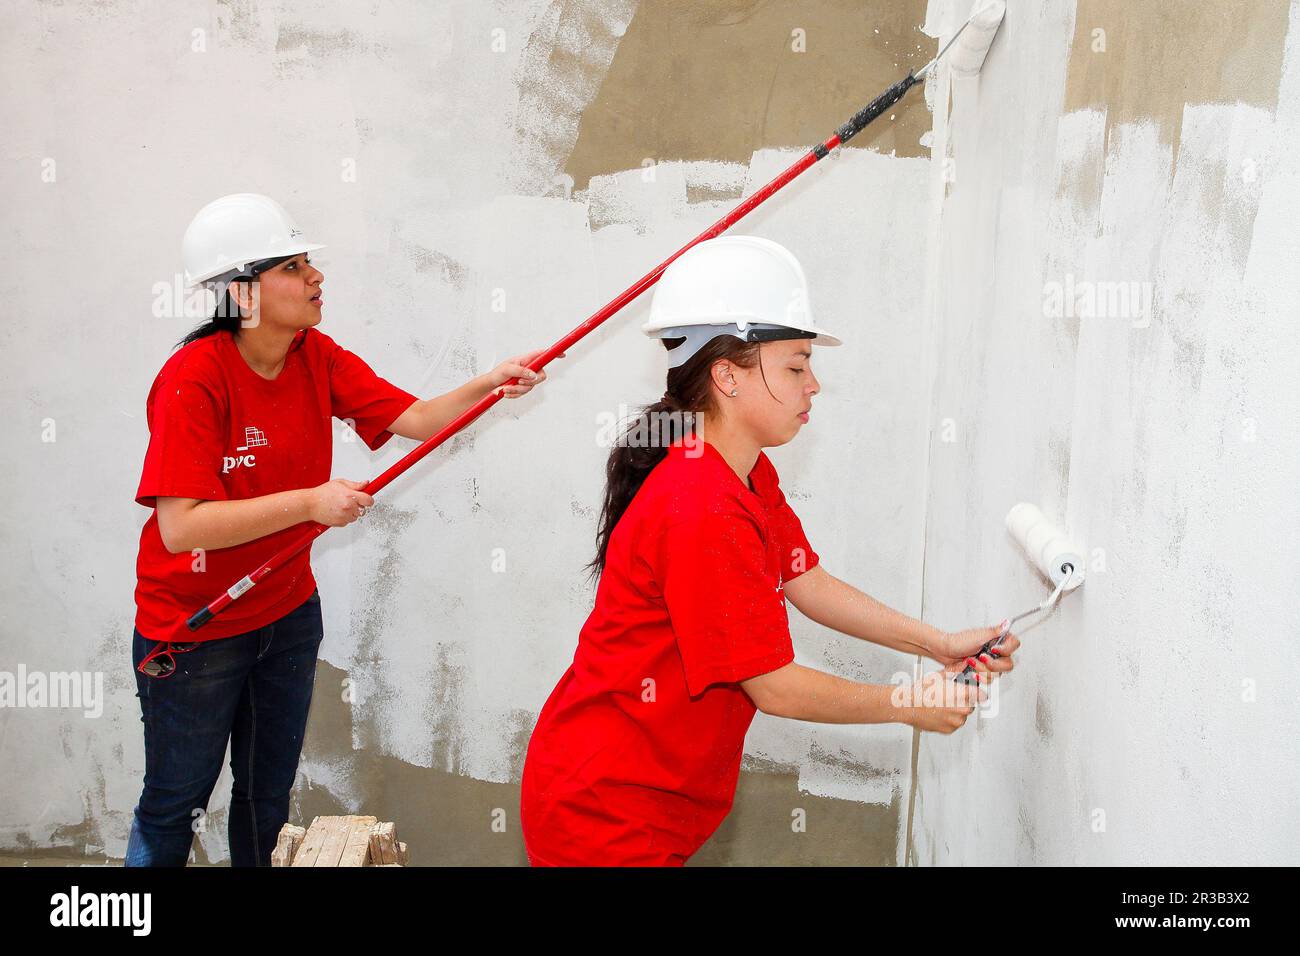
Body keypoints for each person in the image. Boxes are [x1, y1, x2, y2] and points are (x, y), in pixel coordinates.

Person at [520, 235, 1020, 866]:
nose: (815, 385)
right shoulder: (700, 504)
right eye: (796, 366)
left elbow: (804, 580)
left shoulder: (741, 469)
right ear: (726, 375)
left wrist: (934, 643)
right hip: (604, 813)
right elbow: (774, 687)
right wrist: (910, 703)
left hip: (642, 799)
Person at [127, 193, 555, 866]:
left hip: (287, 617)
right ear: (242, 293)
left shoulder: (314, 355)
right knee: (173, 802)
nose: (315, 277)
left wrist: (489, 383)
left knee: (265, 798)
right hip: (196, 630)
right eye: (294, 267)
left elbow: (414, 418)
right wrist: (307, 504)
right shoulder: (193, 380)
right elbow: (182, 530)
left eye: (308, 264)